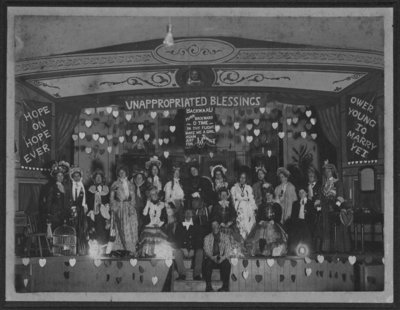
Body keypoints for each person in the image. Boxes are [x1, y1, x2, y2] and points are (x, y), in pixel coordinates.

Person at [246, 187, 287, 257]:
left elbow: (279, 216)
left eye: (270, 195)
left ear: (272, 195)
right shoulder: (262, 206)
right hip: (263, 225)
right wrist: (260, 221)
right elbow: (258, 216)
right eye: (267, 195)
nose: (268, 197)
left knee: (273, 237)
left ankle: (273, 251)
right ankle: (261, 251)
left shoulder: (277, 205)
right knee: (259, 236)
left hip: (273, 224)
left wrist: (274, 221)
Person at [314, 161, 344, 253]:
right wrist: (318, 208)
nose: (327, 173)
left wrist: (337, 207)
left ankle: (335, 248)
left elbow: (340, 196)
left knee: (333, 229)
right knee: (323, 229)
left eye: (329, 171)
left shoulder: (337, 183)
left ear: (333, 172)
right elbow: (319, 198)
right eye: (326, 171)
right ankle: (325, 249)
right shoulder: (323, 185)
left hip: (334, 210)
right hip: (324, 210)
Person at [110, 165, 138, 255]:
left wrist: (132, 207)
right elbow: (111, 197)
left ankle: (129, 248)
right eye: (120, 172)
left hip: (128, 207)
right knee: (119, 227)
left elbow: (133, 197)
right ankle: (119, 248)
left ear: (126, 173)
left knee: (130, 227)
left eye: (123, 172)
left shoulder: (131, 184)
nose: (122, 174)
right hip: (119, 207)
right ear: (118, 173)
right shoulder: (115, 184)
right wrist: (114, 207)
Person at [171, 209, 204, 280]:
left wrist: (193, 249)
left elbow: (199, 239)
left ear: (193, 214)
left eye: (190, 212)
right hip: (183, 250)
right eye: (186, 212)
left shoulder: (197, 226)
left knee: (200, 252)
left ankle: (197, 275)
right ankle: (182, 274)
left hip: (193, 250)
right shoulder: (179, 225)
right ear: (184, 214)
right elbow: (177, 239)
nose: (188, 214)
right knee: (177, 252)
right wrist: (183, 248)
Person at [210, 187, 244, 256]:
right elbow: (214, 216)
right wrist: (220, 223)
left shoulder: (230, 206)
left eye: (225, 195)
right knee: (220, 231)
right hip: (219, 226)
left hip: (230, 226)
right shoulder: (216, 206)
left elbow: (234, 215)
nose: (224, 197)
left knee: (232, 232)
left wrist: (230, 222)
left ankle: (232, 251)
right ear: (219, 196)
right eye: (222, 195)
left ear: (227, 196)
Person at [138, 186, 169, 257]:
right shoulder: (147, 205)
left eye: (155, 193)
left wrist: (159, 224)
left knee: (158, 235)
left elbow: (165, 218)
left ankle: (157, 253)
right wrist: (147, 204)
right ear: (149, 196)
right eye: (152, 194)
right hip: (149, 226)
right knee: (148, 235)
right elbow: (144, 216)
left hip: (159, 226)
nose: (154, 195)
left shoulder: (162, 204)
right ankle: (147, 253)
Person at [43, 161, 71, 231]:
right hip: (55, 215)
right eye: (58, 176)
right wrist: (49, 214)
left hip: (64, 214)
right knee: (56, 232)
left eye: (62, 175)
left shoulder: (66, 187)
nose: (60, 177)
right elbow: (48, 202)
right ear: (56, 177)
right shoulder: (52, 187)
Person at [86, 169, 111, 246]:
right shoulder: (91, 189)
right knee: (93, 229)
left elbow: (109, 200)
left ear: (102, 178)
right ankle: (94, 247)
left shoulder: (106, 189)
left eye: (100, 177)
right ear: (94, 179)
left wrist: (107, 206)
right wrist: (90, 210)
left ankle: (104, 246)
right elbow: (88, 201)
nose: (98, 179)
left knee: (104, 229)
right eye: (97, 177)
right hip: (94, 213)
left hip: (104, 213)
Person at [231, 171, 257, 240]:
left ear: (246, 179)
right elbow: (233, 200)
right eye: (241, 177)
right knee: (240, 226)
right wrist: (236, 209)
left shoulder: (248, 188)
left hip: (248, 209)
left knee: (249, 226)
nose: (242, 179)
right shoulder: (234, 188)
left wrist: (253, 209)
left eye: (244, 178)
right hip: (239, 209)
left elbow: (251, 199)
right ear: (239, 178)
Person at [287, 188, 313, 255]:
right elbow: (293, 216)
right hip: (297, 223)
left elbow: (312, 216)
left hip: (306, 223)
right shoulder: (295, 203)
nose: (301, 194)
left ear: (306, 193)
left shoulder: (310, 203)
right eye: (300, 193)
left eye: (303, 192)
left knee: (306, 236)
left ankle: (307, 252)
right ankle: (294, 252)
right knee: (295, 236)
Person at [69, 167, 89, 255]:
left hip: (81, 212)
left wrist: (85, 207)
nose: (76, 178)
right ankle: (71, 250)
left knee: (81, 230)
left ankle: (81, 250)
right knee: (72, 229)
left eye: (78, 176)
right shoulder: (70, 187)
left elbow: (85, 200)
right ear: (72, 177)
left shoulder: (83, 187)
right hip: (71, 211)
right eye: (75, 176)